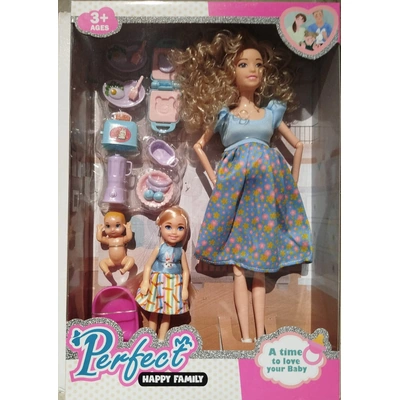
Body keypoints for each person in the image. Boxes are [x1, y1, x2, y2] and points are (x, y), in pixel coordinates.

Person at [171, 30, 313, 343]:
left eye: (259, 64)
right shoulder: (225, 116)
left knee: (258, 268)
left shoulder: (271, 112)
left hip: (265, 193)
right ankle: (246, 336)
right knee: (238, 267)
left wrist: (289, 183)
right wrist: (216, 177)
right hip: (235, 191)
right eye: (244, 64)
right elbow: (199, 146)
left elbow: (298, 145)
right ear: (229, 72)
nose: (253, 70)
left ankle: (261, 335)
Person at [135, 206, 191, 340]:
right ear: (160, 226)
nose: (174, 232)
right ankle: (151, 337)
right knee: (154, 311)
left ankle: (161, 339)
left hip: (173, 284)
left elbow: (186, 271)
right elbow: (148, 265)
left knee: (167, 313)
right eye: (168, 227)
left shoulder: (180, 251)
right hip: (158, 283)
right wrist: (145, 282)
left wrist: (184, 289)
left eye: (180, 228)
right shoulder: (159, 248)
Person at [96, 211, 135, 285]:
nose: (112, 229)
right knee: (102, 263)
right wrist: (99, 230)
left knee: (131, 260)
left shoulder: (122, 239)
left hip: (123, 260)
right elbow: (100, 238)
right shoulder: (109, 240)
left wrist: (128, 228)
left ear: (123, 225)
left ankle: (124, 270)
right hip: (111, 261)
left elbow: (129, 237)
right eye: (108, 226)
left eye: (117, 225)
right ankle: (107, 272)